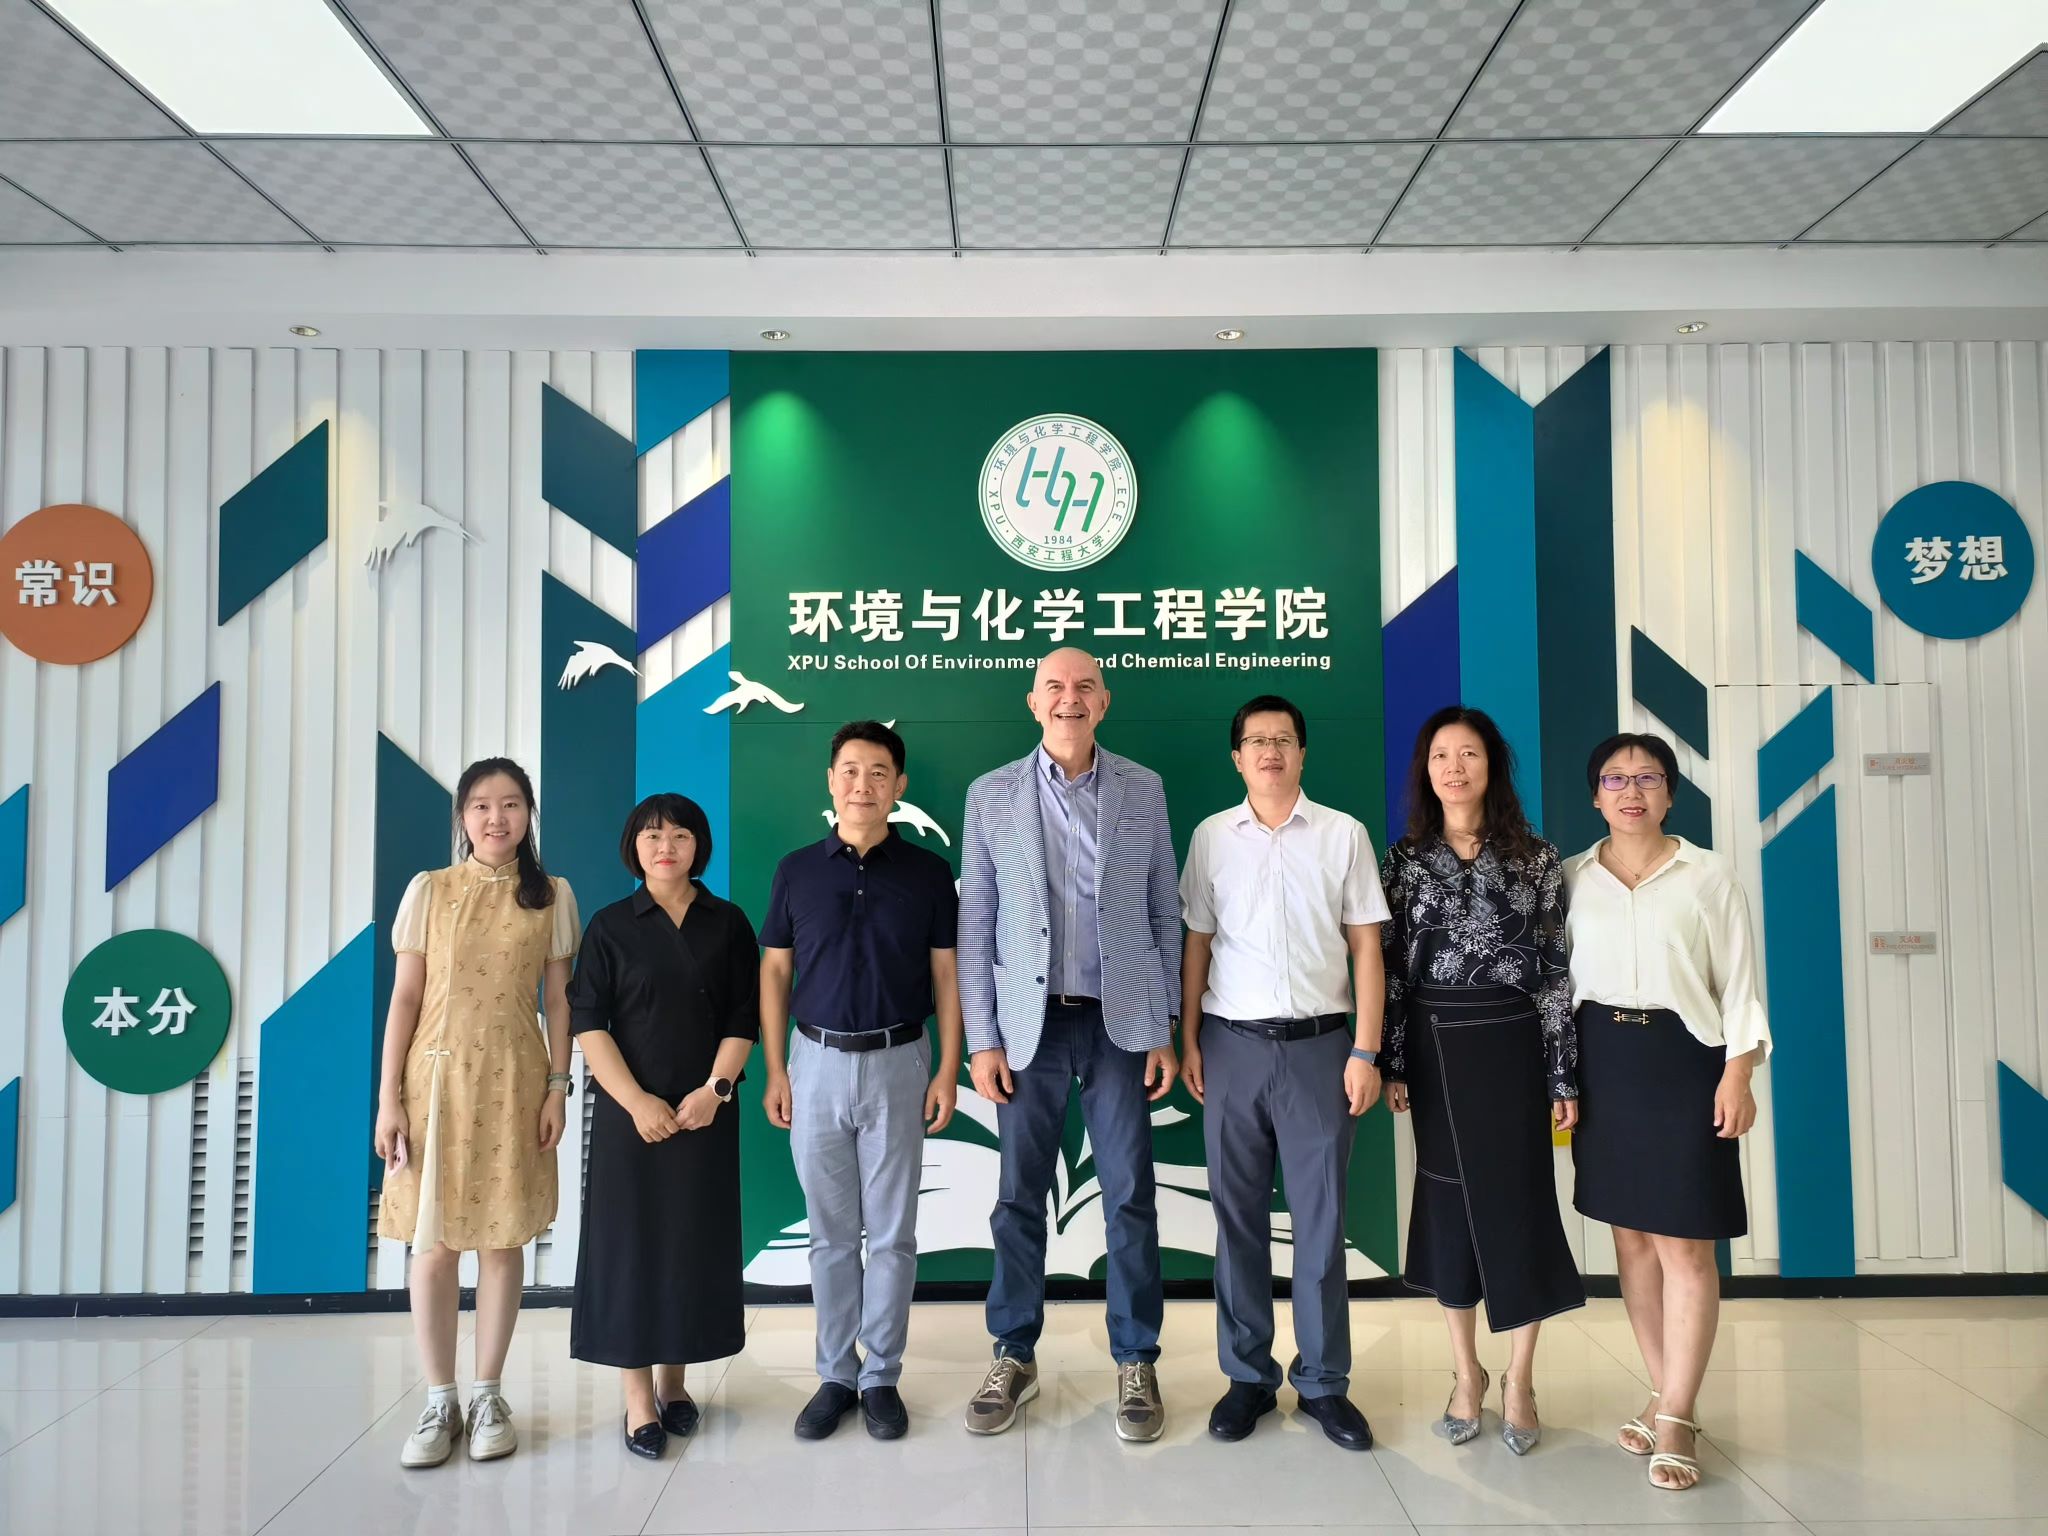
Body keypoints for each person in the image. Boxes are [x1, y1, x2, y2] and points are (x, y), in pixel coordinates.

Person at [957, 646, 1182, 1442]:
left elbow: (1163, 909)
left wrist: (1165, 1024)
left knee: (1130, 1194)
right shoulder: (991, 794)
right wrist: (982, 1039)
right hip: (1029, 1027)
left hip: (1122, 1022)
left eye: (1084, 685)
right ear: (1033, 702)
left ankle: (1137, 1358)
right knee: (1019, 1196)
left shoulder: (1143, 788)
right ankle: (1013, 1353)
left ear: (1104, 701)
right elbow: (976, 923)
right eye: (1053, 686)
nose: (1069, 698)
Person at [1179, 695, 1389, 1451]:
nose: (1271, 751)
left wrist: (1366, 1051)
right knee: (1236, 1221)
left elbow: (1367, 948)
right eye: (1257, 740)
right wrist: (1189, 1039)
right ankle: (1247, 1379)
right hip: (1231, 1048)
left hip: (1322, 1051)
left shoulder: (1342, 834)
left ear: (1302, 753)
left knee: (1321, 1225)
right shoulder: (1211, 837)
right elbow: (1197, 944)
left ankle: (1325, 1382)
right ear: (1237, 757)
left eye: (1284, 739)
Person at [1564, 733, 1770, 1493]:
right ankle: (1664, 1393)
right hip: (1603, 1063)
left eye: (1648, 778)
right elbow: (1558, 987)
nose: (1632, 792)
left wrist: (1738, 1071)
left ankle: (1677, 1413)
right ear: (1595, 795)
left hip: (1686, 1062)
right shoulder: (1570, 878)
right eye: (1615, 779)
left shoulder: (1708, 876)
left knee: (1685, 1244)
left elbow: (1739, 984)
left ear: (1670, 793)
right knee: (1631, 1241)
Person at [1379, 706, 1583, 1455]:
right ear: (1425, 771)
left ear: (1491, 765)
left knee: (1522, 1202)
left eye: (1468, 754)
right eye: (1441, 755)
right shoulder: (1403, 861)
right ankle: (1467, 1372)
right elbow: (1391, 973)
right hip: (1434, 1045)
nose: (1454, 768)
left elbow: (1556, 972)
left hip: (1515, 1046)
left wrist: (1562, 1073)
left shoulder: (1536, 858)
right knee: (1448, 1203)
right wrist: (1393, 1062)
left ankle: (1520, 1377)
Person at [759, 721, 964, 1442]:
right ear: (831, 780)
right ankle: (835, 1375)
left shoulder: (929, 873)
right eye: (850, 770)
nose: (863, 785)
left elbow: (947, 976)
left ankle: (881, 1375)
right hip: (813, 1062)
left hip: (899, 1061)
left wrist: (947, 1068)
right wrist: (776, 1068)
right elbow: (775, 970)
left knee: (894, 1235)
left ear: (899, 786)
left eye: (879, 772)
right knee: (831, 1235)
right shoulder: (796, 870)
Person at [374, 757, 578, 1469]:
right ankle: (440, 1399)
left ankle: (489, 1394)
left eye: (512, 804)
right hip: (432, 1082)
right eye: (483, 806)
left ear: (529, 815)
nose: (497, 818)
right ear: (462, 816)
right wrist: (388, 1098)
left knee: (501, 1240)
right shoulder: (429, 890)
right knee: (431, 1247)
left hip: (515, 1080)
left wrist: (558, 1086)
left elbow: (560, 1001)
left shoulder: (552, 896)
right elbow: (405, 997)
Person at [567, 793, 758, 1460]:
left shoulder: (728, 922)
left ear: (698, 845)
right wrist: (636, 1102)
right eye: (651, 836)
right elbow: (587, 1022)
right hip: (632, 1119)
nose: (665, 846)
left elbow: (744, 1016)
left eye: (679, 835)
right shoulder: (611, 925)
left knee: (689, 1244)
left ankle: (675, 1383)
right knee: (631, 1249)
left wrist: (716, 1091)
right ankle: (637, 1398)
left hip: (705, 1113)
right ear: (634, 847)